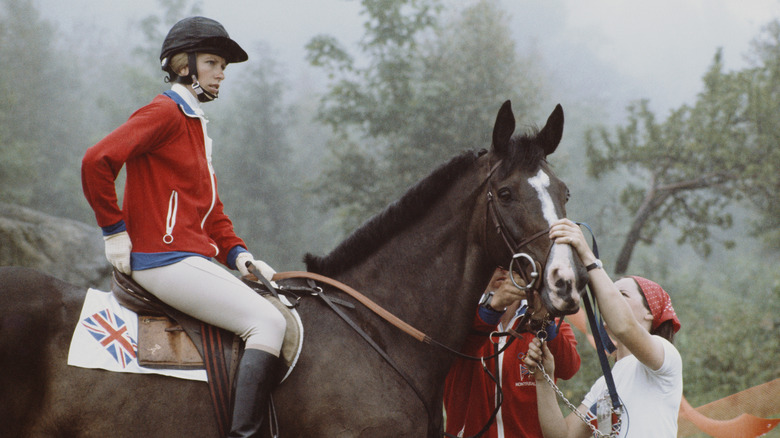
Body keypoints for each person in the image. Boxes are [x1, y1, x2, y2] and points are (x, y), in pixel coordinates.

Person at [81, 16, 285, 437]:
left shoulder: (194, 124)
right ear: (183, 66)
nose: (221, 73)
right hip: (163, 259)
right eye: (213, 63)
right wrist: (114, 230)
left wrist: (240, 255)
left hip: (189, 257)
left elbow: (209, 212)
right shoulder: (165, 112)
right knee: (269, 324)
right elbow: (96, 161)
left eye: (223, 66)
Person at [524, 218, 683, 438]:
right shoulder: (605, 384)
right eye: (610, 295)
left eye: (623, 295)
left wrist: (588, 257)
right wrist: (543, 379)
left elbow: (625, 327)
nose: (609, 302)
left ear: (650, 313)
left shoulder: (665, 356)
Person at [443, 267, 581, 437]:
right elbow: (449, 355)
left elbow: (568, 368)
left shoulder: (547, 321)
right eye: (494, 262)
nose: (502, 269)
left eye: (510, 262)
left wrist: (542, 321)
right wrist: (491, 308)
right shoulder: (456, 318)